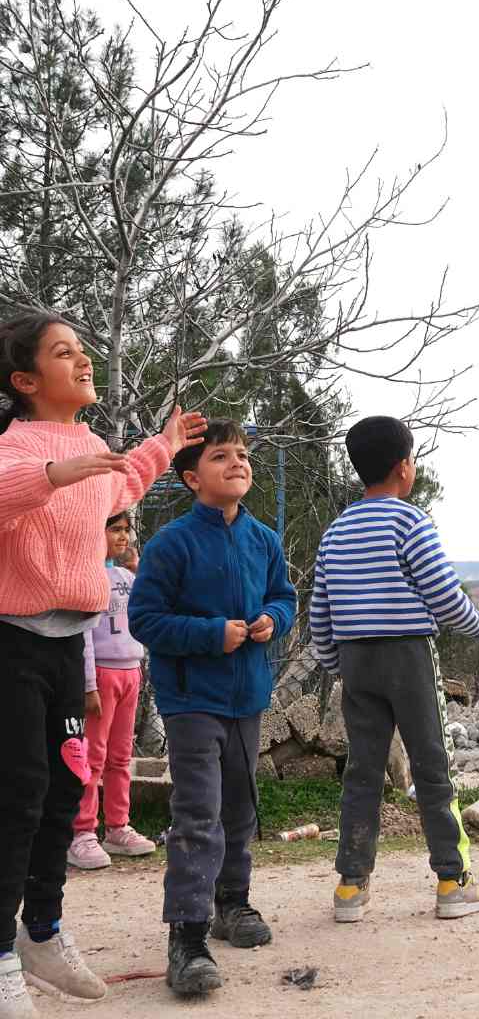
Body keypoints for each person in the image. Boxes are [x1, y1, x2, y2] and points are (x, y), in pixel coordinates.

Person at [0, 312, 205, 1018]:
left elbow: (118, 488)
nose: (83, 360)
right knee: (19, 793)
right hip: (11, 642)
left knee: (65, 787)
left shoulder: (89, 443)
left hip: (66, 645)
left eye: (84, 349)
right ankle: (0, 955)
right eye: (65, 353)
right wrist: (53, 474)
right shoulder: (16, 446)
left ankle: (43, 930)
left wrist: (162, 445)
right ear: (26, 380)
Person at [310, 416, 479, 924]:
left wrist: (339, 666)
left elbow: (321, 610)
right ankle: (452, 881)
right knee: (431, 767)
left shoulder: (336, 531)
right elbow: (442, 593)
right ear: (404, 467)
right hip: (407, 656)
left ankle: (351, 888)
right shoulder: (409, 521)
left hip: (356, 661)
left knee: (363, 771)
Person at [128, 420, 296, 998]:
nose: (237, 464)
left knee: (241, 810)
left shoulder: (263, 540)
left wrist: (275, 619)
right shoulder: (171, 543)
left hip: (247, 698)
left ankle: (233, 905)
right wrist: (209, 635)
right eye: (221, 456)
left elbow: (284, 596)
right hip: (191, 701)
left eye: (243, 455)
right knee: (198, 813)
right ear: (191, 476)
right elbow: (144, 619)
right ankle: (188, 936)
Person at [67, 512, 157, 871]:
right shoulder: (87, 577)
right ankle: (82, 831)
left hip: (130, 672)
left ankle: (117, 826)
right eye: (114, 529)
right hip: (101, 675)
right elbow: (85, 635)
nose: (122, 536)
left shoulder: (126, 576)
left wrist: (139, 569)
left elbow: (147, 605)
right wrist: (88, 684)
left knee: (120, 757)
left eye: (125, 529)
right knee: (92, 758)